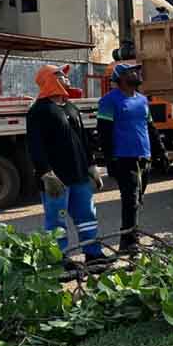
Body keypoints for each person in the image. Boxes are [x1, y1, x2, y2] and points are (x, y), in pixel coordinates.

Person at [27, 65, 112, 265]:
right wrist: (46, 174)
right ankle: (59, 260)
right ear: (49, 79)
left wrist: (92, 167)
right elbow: (35, 145)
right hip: (57, 179)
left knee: (87, 216)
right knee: (56, 221)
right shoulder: (38, 110)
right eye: (60, 74)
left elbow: (83, 139)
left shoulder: (71, 107)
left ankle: (93, 254)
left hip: (79, 175)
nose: (66, 77)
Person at [98, 63, 168, 254]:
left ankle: (129, 240)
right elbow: (104, 132)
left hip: (144, 156)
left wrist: (161, 152)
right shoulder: (109, 101)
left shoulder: (142, 100)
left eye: (137, 71)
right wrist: (110, 160)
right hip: (123, 158)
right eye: (132, 72)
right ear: (120, 78)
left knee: (138, 199)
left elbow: (151, 127)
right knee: (130, 200)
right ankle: (130, 242)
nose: (137, 73)